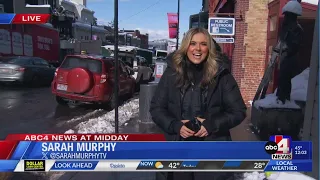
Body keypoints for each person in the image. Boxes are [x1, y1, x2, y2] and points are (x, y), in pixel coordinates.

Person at [149, 27, 246, 180]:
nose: (198, 49)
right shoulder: (172, 72)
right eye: (193, 43)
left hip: (211, 149)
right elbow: (156, 108)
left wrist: (212, 124)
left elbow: (238, 111)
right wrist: (175, 125)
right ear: (186, 46)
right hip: (178, 147)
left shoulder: (222, 75)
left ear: (209, 48)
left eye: (203, 44)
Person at [276, 0, 303, 104]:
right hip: (284, 57)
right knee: (281, 77)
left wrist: (287, 49)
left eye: (287, 16)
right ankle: (280, 97)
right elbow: (282, 40)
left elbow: (295, 45)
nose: (285, 19)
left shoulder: (297, 29)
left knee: (285, 78)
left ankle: (284, 98)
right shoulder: (285, 28)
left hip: (290, 58)